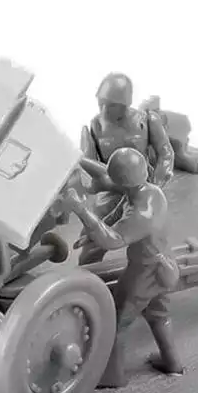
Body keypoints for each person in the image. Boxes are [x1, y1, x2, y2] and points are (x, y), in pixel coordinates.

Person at [63, 147, 184, 387]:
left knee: (116, 321)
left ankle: (113, 376)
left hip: (145, 272)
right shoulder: (149, 192)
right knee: (159, 316)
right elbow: (116, 209)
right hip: (163, 266)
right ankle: (172, 363)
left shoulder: (142, 212)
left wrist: (81, 209)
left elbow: (114, 239)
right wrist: (92, 234)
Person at [78, 73, 174, 265]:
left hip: (142, 187)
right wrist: (94, 183)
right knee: (93, 239)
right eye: (101, 103)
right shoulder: (95, 126)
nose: (104, 109)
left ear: (125, 103)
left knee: (151, 239)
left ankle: (153, 271)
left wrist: (158, 180)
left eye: (111, 104)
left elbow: (165, 151)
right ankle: (88, 272)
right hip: (110, 187)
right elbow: (87, 165)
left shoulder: (147, 120)